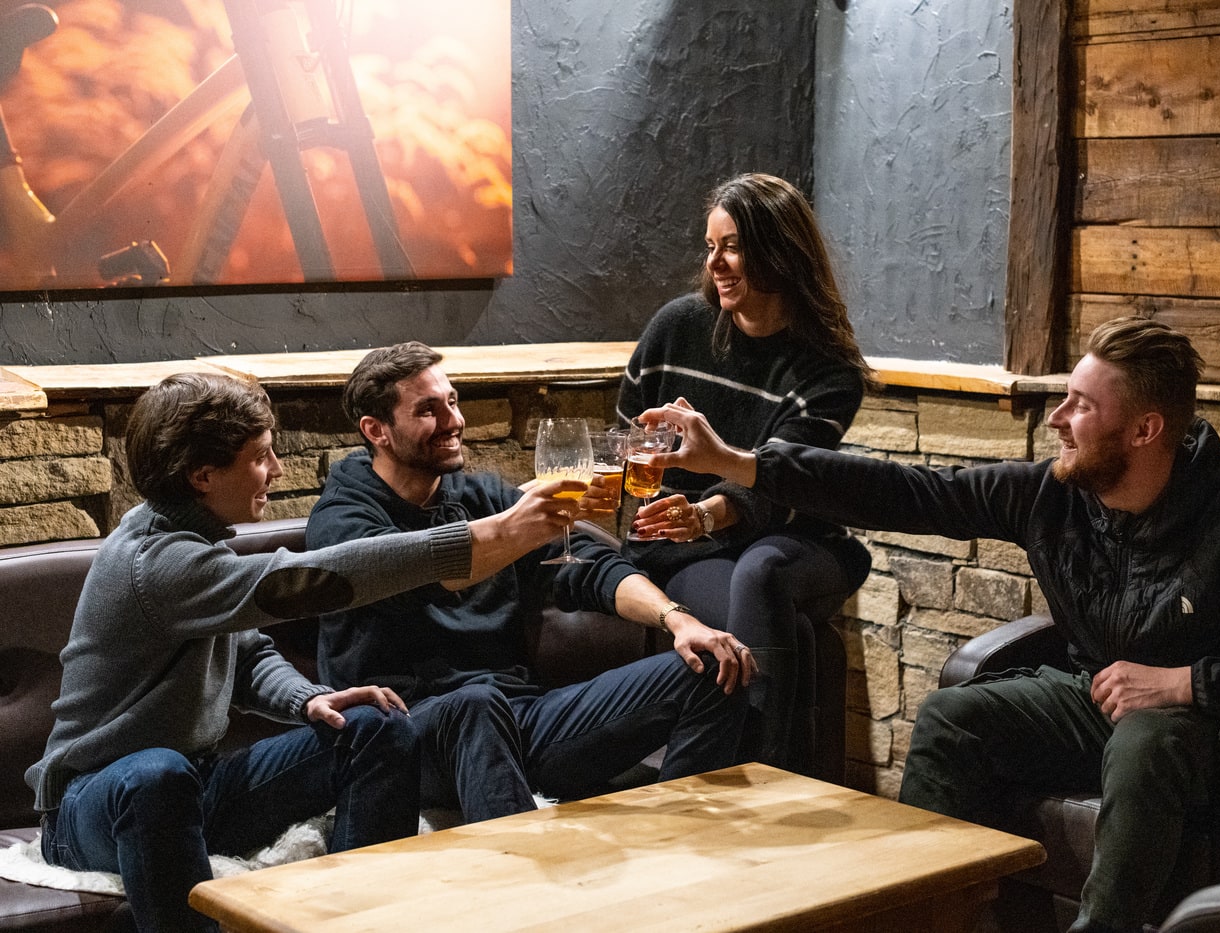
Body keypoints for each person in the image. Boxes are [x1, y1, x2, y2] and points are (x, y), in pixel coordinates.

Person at [639, 316, 1220, 933]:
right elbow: (908, 492)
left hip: (1202, 724)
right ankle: (924, 914)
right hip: (1094, 699)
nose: (1055, 419)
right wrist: (741, 464)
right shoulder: (1057, 494)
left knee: (1148, 738)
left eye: (1081, 406)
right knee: (956, 714)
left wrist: (1185, 681)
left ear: (1146, 428)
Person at [24, 372, 489, 933]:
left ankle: (357, 919)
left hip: (195, 786)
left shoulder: (198, 540)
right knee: (156, 775)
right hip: (89, 808)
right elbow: (307, 578)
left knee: (375, 727)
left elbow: (246, 653)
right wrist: (470, 542)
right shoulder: (155, 564)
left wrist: (309, 701)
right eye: (263, 457)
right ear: (203, 476)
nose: (278, 471)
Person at [305, 341, 755, 825]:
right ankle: (525, 882)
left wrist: (677, 619)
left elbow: (588, 566)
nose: (453, 421)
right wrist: (518, 525)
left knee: (714, 664)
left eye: (452, 402)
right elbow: (423, 575)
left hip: (523, 719)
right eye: (428, 410)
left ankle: (676, 846)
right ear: (377, 431)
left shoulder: (482, 495)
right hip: (409, 734)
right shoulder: (342, 520)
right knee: (474, 705)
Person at [615, 172, 876, 774]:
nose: (716, 266)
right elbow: (628, 444)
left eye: (731, 246)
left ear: (779, 252)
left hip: (789, 538)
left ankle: (760, 781)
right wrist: (649, 507)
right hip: (686, 550)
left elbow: (781, 480)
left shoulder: (829, 373)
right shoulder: (676, 329)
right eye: (710, 248)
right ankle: (781, 783)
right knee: (792, 632)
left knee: (761, 572)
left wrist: (704, 512)